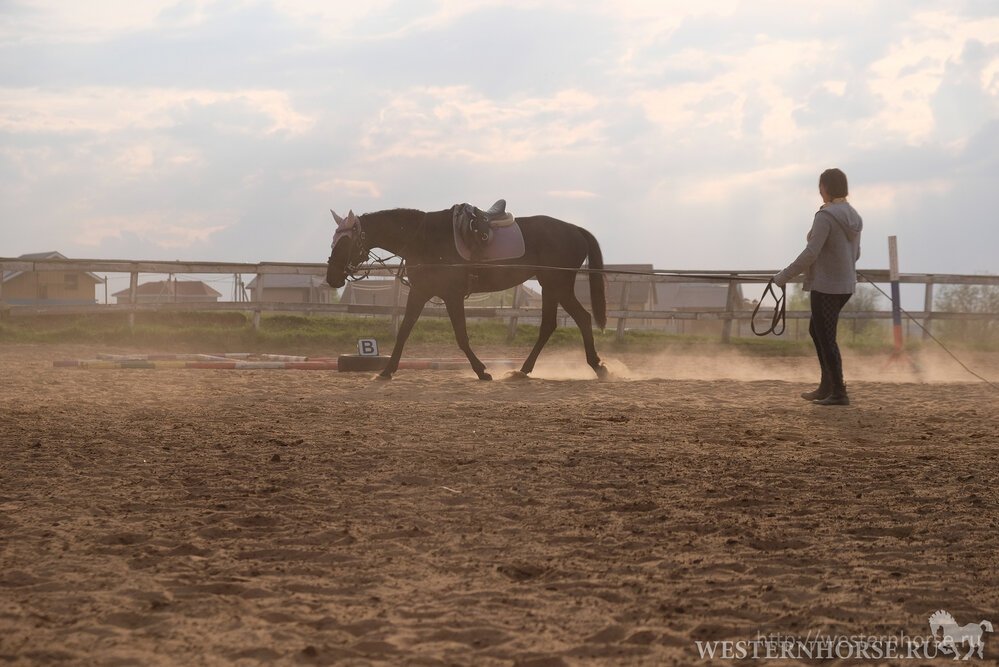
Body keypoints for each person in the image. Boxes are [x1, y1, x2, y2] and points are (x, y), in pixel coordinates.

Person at [774, 168, 863, 406]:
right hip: (845, 285)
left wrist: (784, 275)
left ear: (826, 187)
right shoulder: (853, 216)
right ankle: (827, 386)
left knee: (826, 337)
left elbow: (811, 253)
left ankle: (839, 391)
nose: (819, 190)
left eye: (820, 186)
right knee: (818, 331)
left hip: (826, 285)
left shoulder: (825, 217)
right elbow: (857, 254)